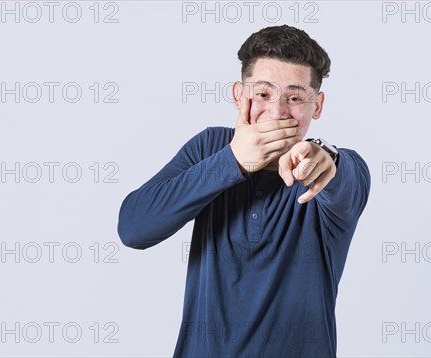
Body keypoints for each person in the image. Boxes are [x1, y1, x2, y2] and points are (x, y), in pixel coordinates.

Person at [117, 24, 371, 357]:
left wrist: (325, 158)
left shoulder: (332, 170)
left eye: (294, 98)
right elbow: (134, 228)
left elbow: (341, 179)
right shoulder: (210, 148)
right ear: (239, 95)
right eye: (263, 94)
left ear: (317, 105)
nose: (277, 112)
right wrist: (233, 160)